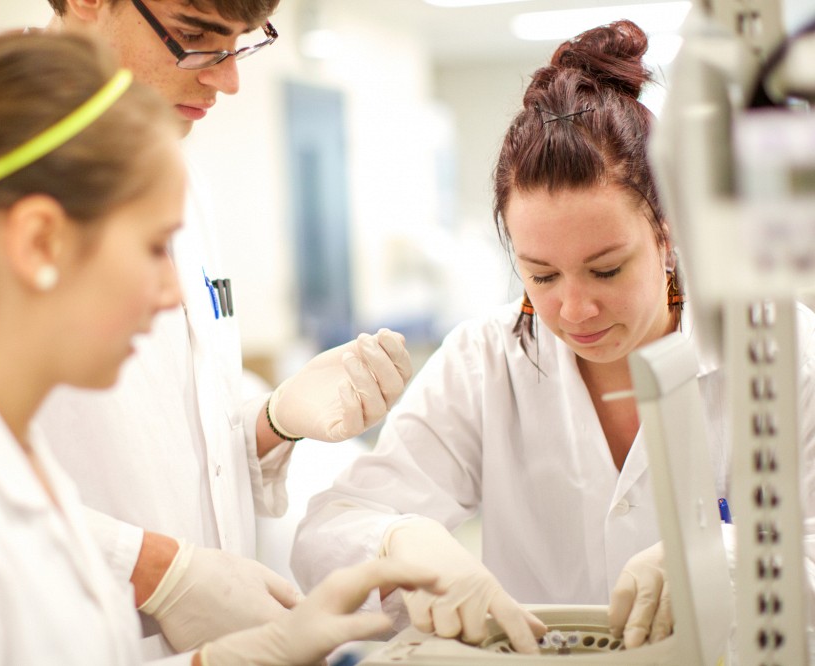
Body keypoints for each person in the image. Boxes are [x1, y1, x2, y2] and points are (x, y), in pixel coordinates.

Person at [0, 31, 440, 665]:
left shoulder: (11, 460)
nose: (174, 297)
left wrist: (217, 659)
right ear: (39, 242)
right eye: (152, 248)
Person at [291, 19, 815, 654]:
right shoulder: (485, 362)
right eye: (541, 275)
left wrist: (730, 555)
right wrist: (398, 541)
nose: (574, 309)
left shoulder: (782, 350)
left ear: (668, 232)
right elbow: (326, 535)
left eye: (607, 269)